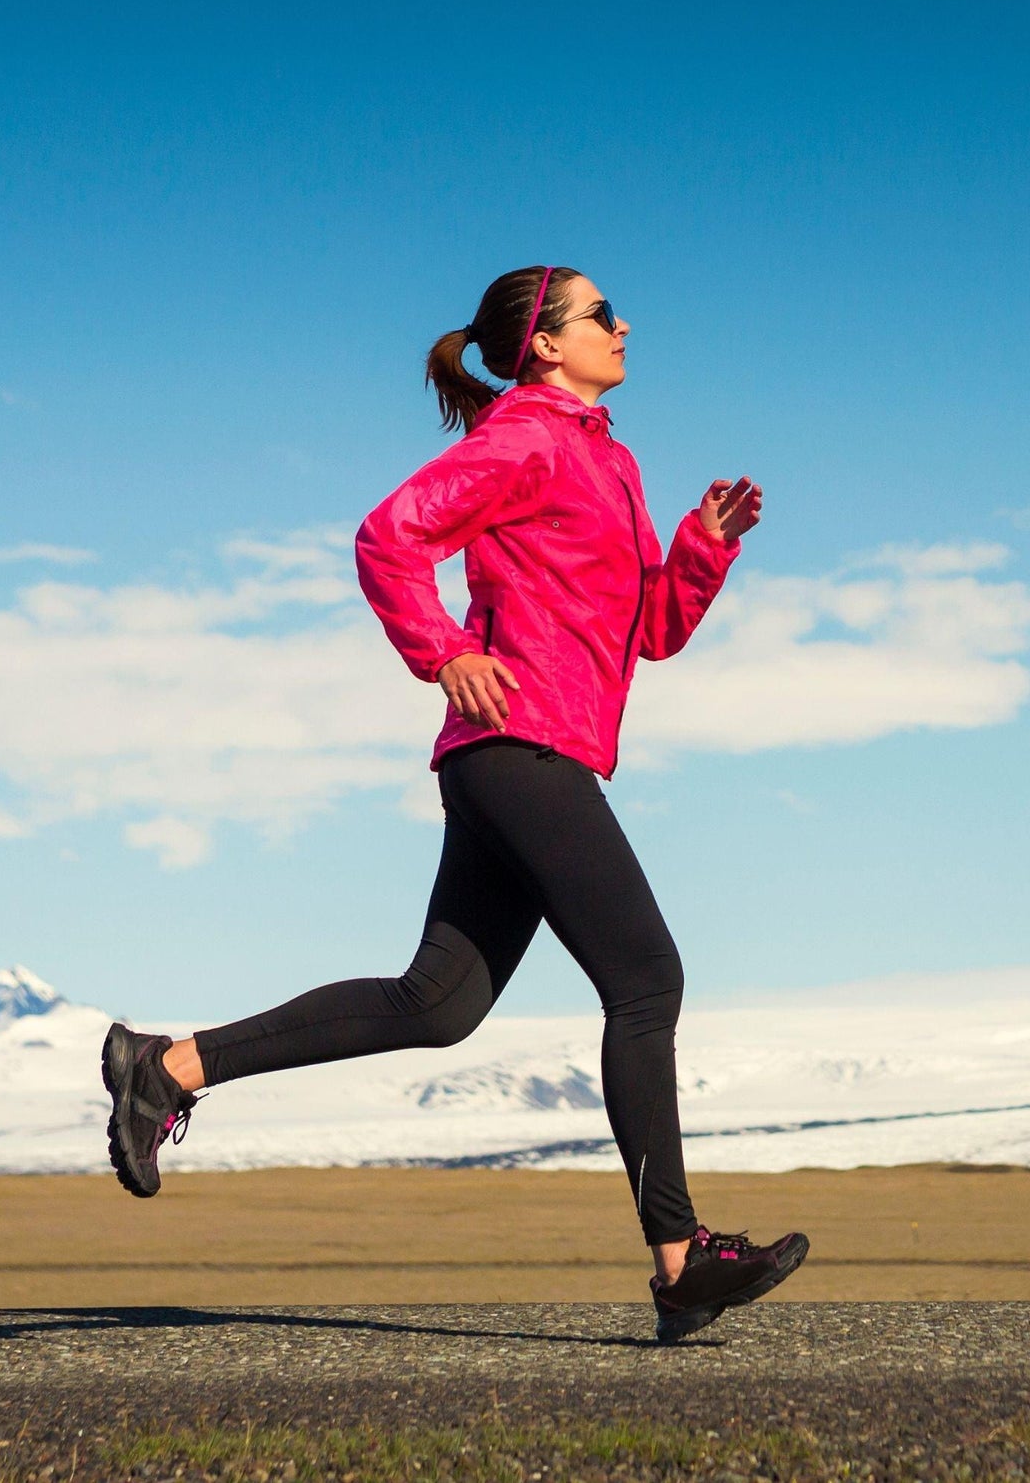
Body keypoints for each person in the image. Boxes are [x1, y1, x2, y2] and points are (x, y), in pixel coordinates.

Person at [101, 264, 809, 1342]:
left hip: (531, 751)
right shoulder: (524, 440)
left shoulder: (605, 460)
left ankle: (170, 1066)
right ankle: (679, 1260)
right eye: (600, 315)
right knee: (647, 979)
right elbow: (389, 537)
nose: (625, 325)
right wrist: (443, 654)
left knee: (438, 1006)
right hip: (520, 747)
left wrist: (703, 546)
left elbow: (648, 633)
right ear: (544, 346)